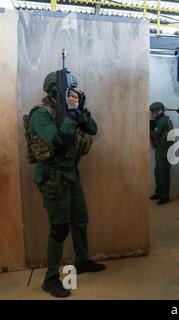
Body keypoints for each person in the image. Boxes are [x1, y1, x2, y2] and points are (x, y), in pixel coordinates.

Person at [28, 72, 105, 298]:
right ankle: (50, 278)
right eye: (66, 90)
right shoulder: (41, 114)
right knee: (60, 228)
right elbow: (59, 142)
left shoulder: (70, 111)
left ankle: (82, 261)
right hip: (53, 177)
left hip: (71, 174)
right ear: (53, 91)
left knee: (80, 221)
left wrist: (81, 110)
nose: (71, 93)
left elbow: (92, 129)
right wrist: (71, 116)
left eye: (73, 89)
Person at [149, 102, 173, 205]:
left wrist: (148, 129)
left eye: (154, 112)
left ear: (160, 111)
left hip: (164, 151)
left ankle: (164, 197)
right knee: (158, 173)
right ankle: (159, 193)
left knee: (163, 174)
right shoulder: (164, 120)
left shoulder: (162, 122)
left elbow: (155, 135)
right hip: (162, 150)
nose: (152, 114)